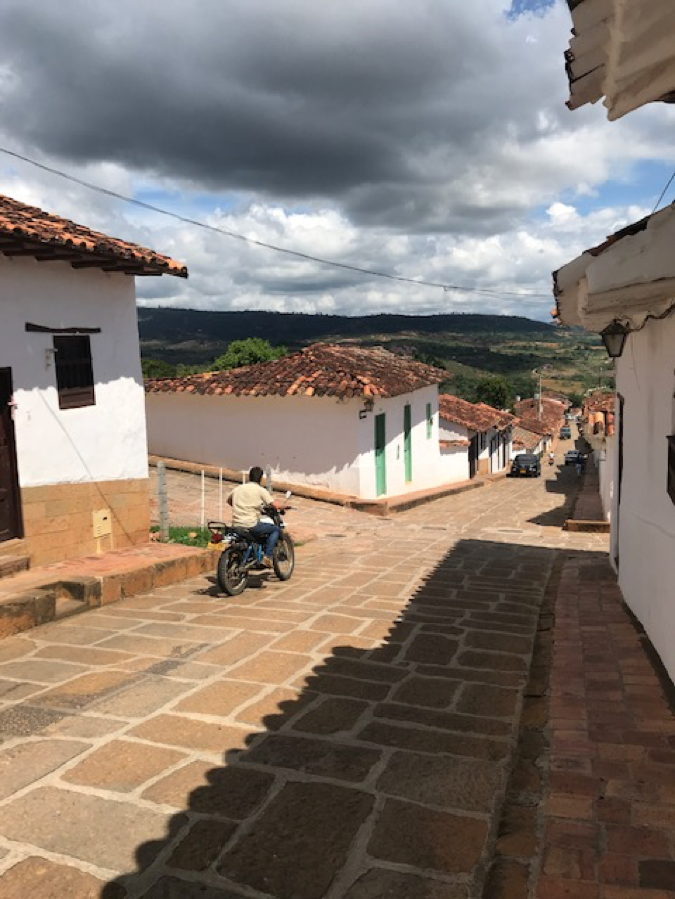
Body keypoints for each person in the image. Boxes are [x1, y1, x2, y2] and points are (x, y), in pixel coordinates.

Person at [228, 466, 286, 567]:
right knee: (275, 530)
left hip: (236, 524)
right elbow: (274, 505)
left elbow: (229, 501)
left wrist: (242, 506)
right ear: (260, 479)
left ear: (249, 477)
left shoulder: (238, 488)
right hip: (250, 524)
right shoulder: (260, 490)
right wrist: (285, 506)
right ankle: (267, 557)